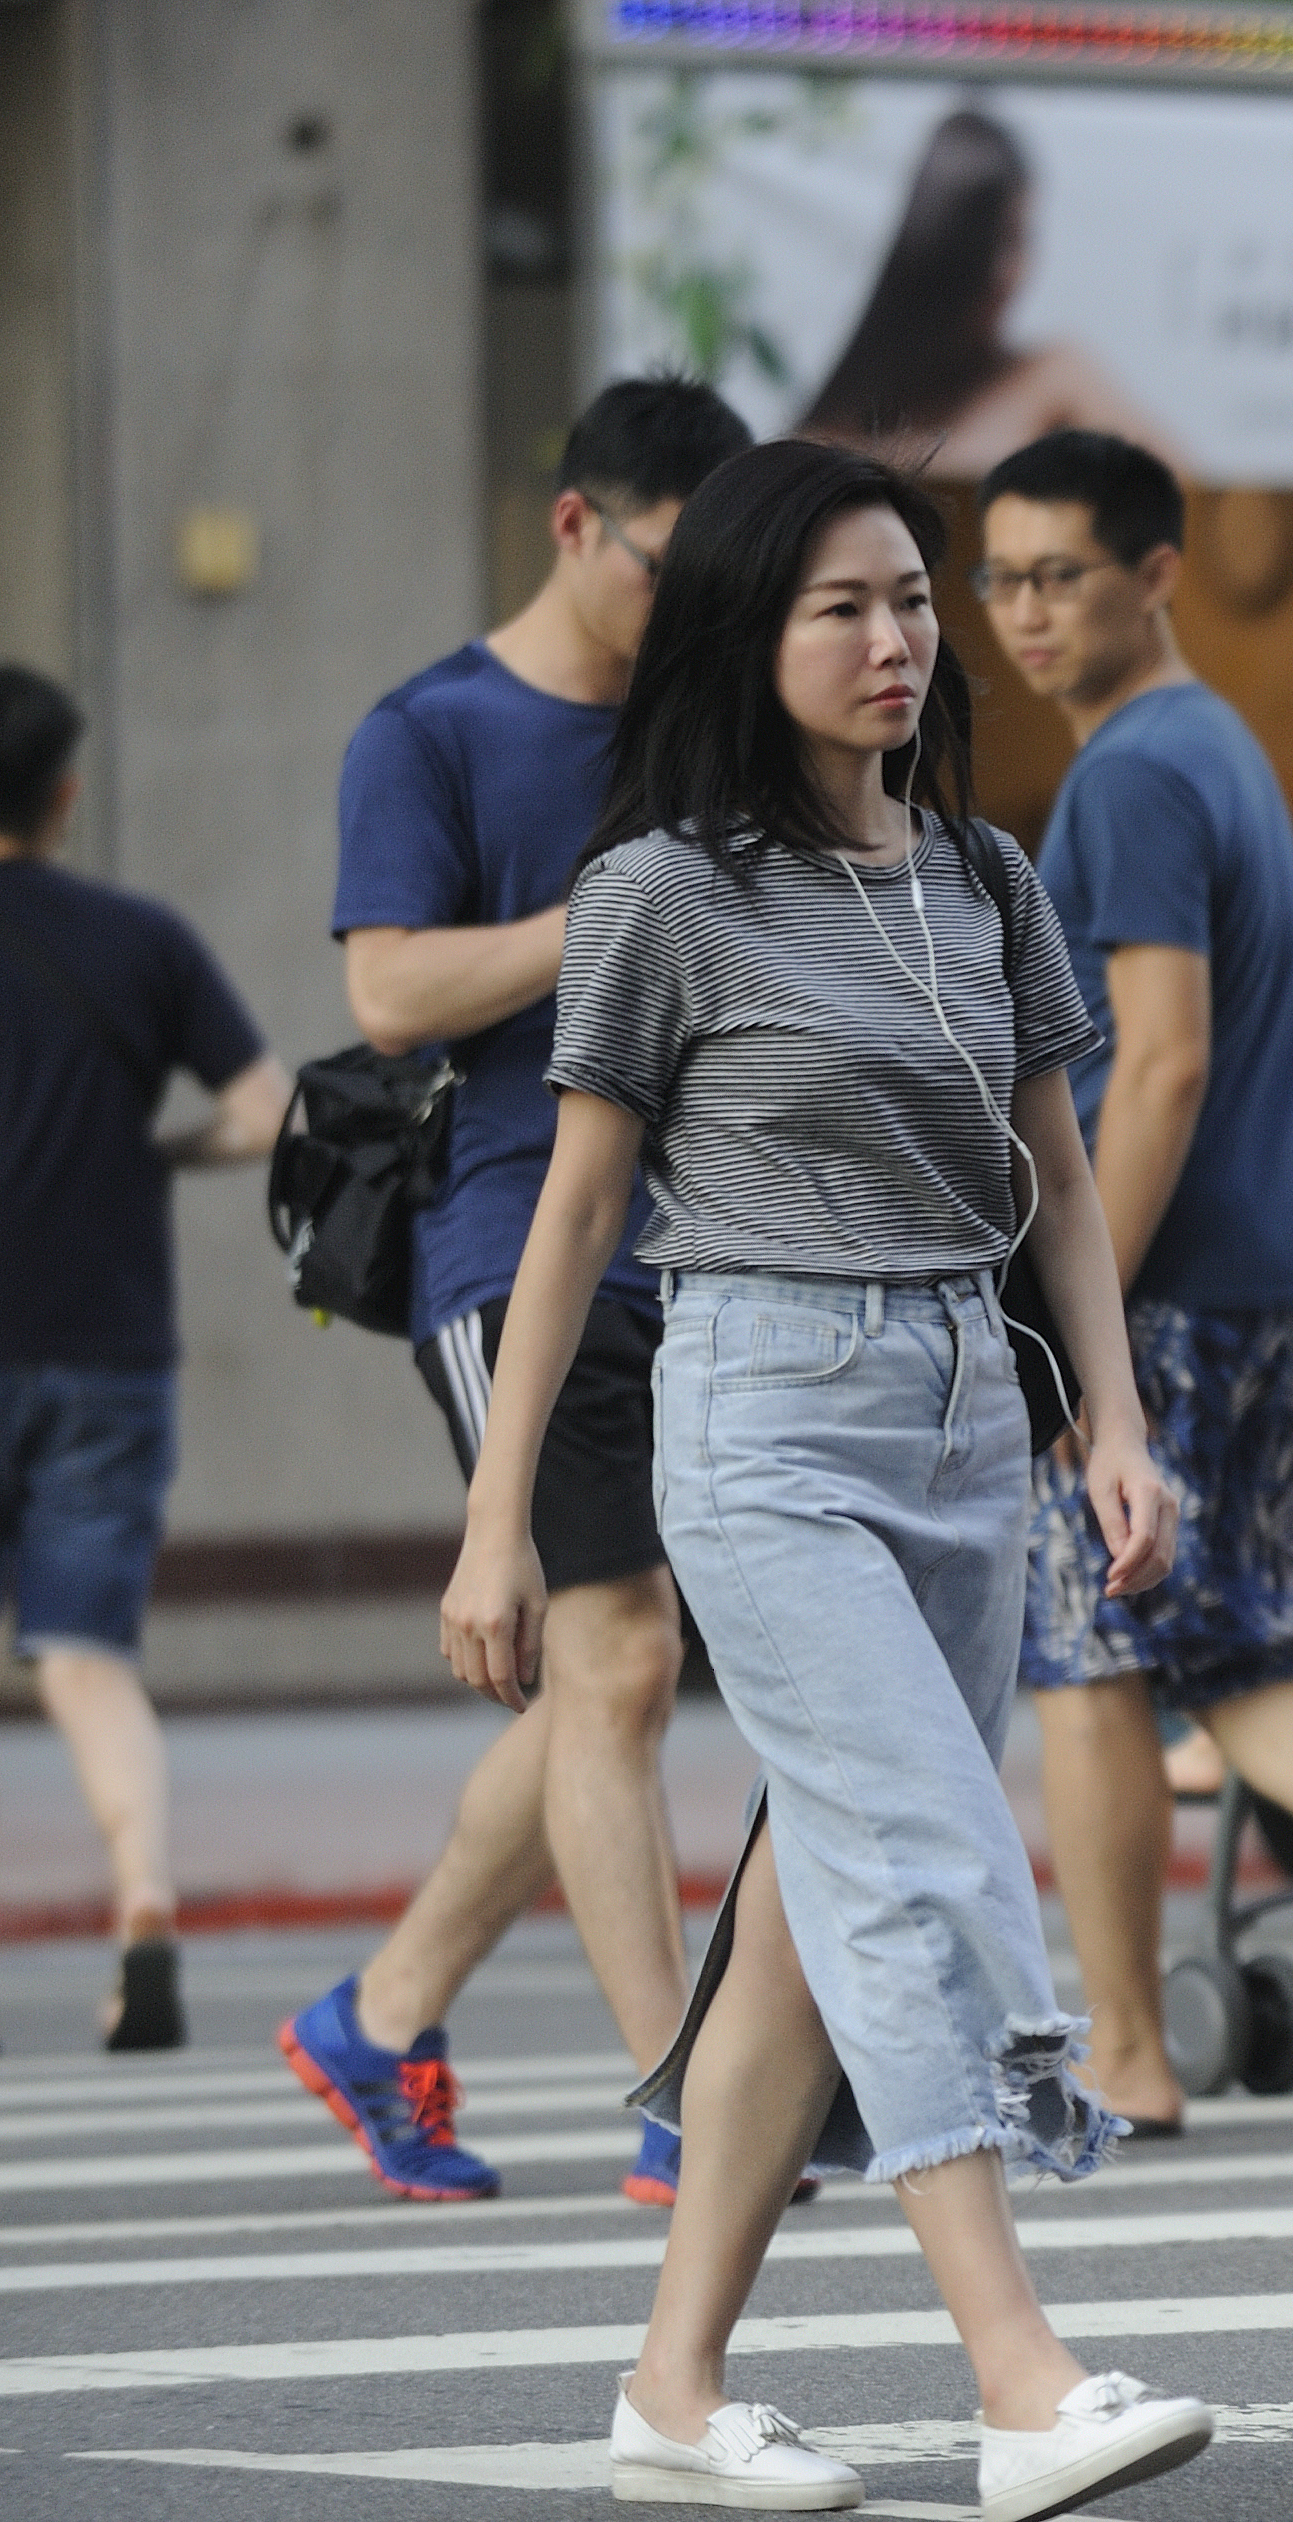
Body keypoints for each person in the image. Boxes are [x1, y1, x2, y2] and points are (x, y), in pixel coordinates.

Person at [439, 436, 1215, 2518]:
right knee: (906, 1858)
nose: (898, 639)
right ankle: (1017, 2370)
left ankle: (674, 2387)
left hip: (971, 1410)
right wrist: (499, 1515)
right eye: (840, 605)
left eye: (912, 599)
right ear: (746, 635)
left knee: (805, 1903)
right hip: (766, 1412)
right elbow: (576, 1217)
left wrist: (1110, 1420)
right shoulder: (663, 893)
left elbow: (1057, 1179)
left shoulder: (981, 875)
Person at [974, 428, 1293, 2133]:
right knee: (1251, 1641)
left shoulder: (1125, 773)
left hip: (1164, 1285)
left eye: (1061, 576)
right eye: (1003, 579)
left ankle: (1124, 2045)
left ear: (1156, 575)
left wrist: (1072, 1323)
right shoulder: (1218, 748)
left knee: (1092, 1658)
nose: (1023, 613)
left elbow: (1161, 1062)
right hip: (1275, 1275)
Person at [293, 376, 752, 2204]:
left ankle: (381, 2006)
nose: (692, 610)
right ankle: (686, 2094)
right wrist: (625, 908)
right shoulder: (431, 731)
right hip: (514, 1245)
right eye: (670, 568)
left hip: (712, 1240)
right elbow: (389, 995)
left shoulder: (703, 719)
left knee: (599, 1687)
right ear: (576, 526)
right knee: (621, 1653)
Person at [0, 667, 290, 2051]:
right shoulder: (138, 939)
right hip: (106, 1339)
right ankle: (145, 1898)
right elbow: (265, 1108)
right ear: (64, 792)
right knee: (86, 1652)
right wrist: (161, 1153)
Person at [801, 109, 1178, 478]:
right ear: (924, 247)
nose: (1003, 273)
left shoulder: (1054, 381)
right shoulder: (831, 421)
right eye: (984, 245)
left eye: (1016, 240)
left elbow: (1185, 499)